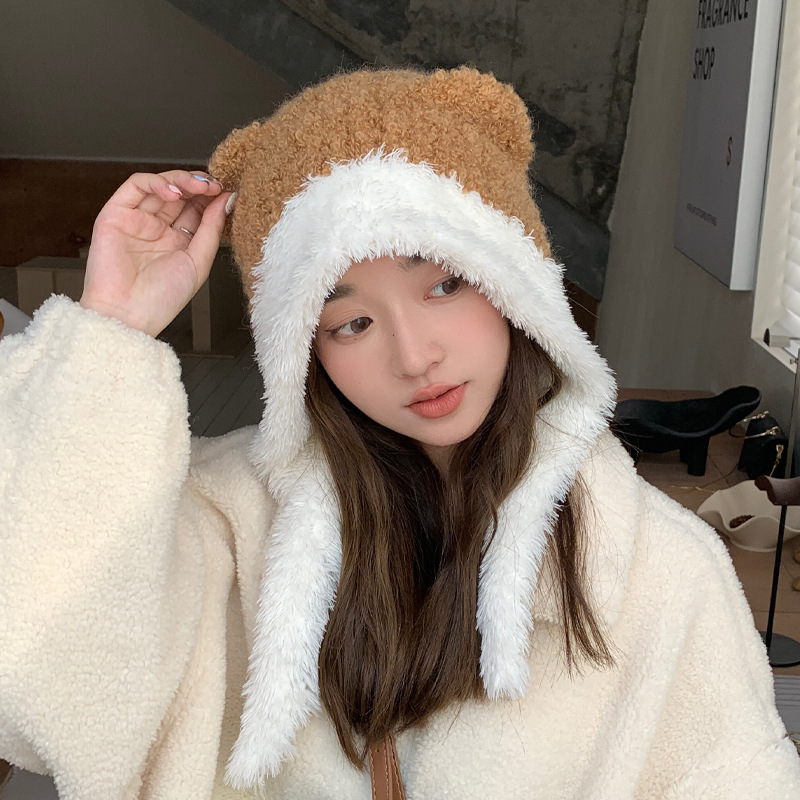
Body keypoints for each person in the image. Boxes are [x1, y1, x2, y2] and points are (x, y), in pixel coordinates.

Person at [0, 67, 798, 800]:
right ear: (301, 354)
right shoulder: (230, 526)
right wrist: (110, 329)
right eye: (350, 323)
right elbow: (38, 691)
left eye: (444, 283)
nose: (415, 357)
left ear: (514, 276)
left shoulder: (660, 570)